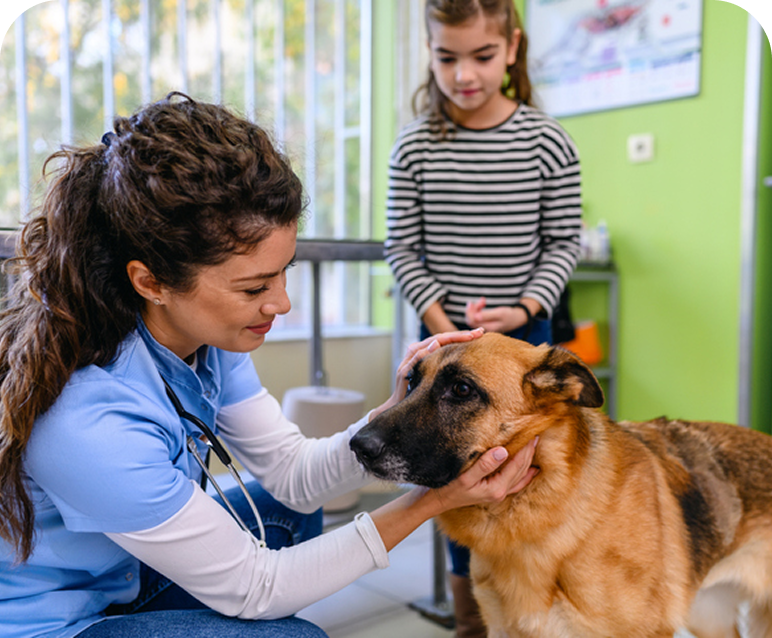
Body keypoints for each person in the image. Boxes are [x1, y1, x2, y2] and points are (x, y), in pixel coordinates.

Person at [0, 93, 540, 638]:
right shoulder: (88, 421)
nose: (280, 303)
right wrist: (434, 500)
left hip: (120, 577)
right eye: (255, 286)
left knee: (288, 510)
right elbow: (259, 587)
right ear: (151, 282)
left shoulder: (207, 340)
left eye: (284, 272)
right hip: (51, 623)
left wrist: (395, 414)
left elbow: (293, 475)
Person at [384, 1, 583, 635]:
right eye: (446, 57)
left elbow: (563, 243)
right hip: (442, 340)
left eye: (481, 56)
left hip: (527, 342)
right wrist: (442, 324)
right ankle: (473, 618)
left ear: (513, 49)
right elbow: (402, 250)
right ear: (429, 52)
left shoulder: (547, 141)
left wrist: (525, 307)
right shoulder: (414, 145)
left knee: (543, 476)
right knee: (451, 471)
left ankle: (547, 599)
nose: (463, 73)